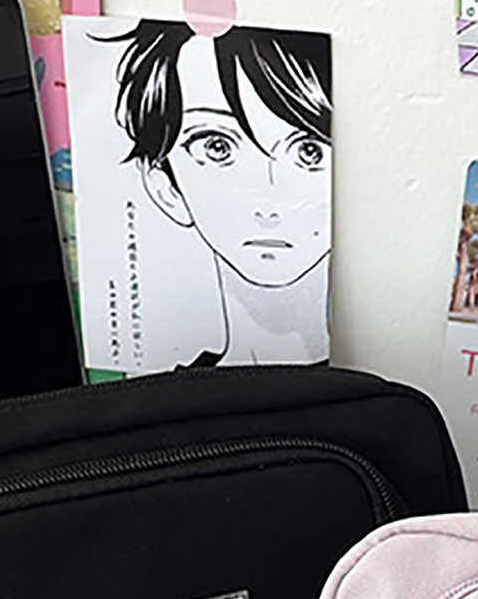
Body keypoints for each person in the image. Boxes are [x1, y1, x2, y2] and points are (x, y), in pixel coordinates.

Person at [111, 20, 332, 365]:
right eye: (217, 147)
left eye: (309, 151)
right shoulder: (167, 390)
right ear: (165, 186)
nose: (269, 203)